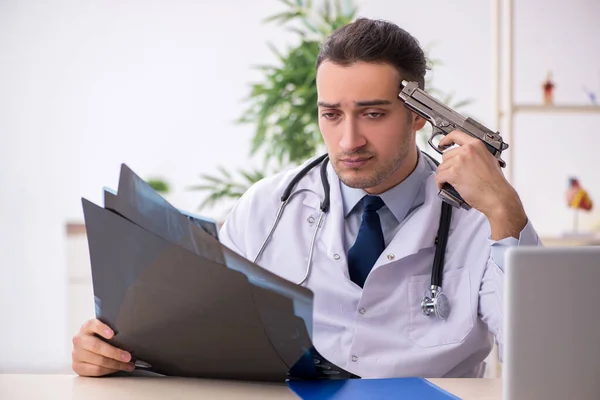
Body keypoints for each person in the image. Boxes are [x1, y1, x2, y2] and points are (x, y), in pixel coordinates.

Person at [71, 17, 541, 378]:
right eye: (331, 114)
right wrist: (115, 350)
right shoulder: (267, 207)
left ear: (419, 116)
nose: (348, 140)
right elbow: (197, 334)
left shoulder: (484, 216)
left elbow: (547, 360)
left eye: (373, 114)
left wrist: (505, 212)